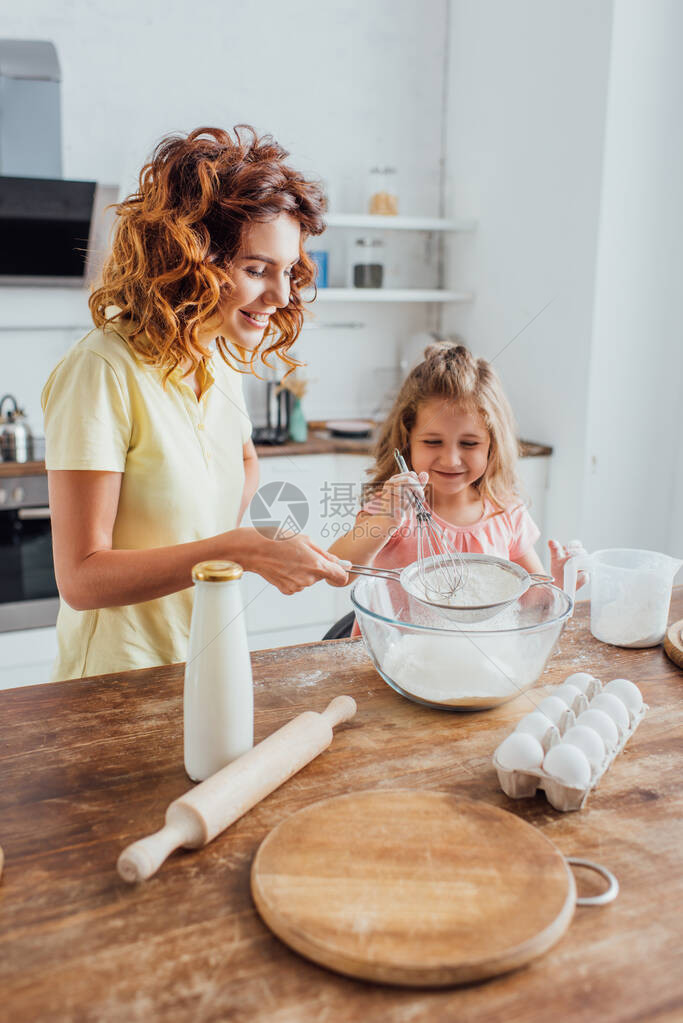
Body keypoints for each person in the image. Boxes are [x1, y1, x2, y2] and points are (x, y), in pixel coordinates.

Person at [42, 125, 349, 681]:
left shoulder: (218, 358)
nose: (281, 297)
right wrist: (235, 550)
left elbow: (245, 461)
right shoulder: (102, 371)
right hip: (113, 684)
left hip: (202, 658)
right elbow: (81, 580)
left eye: (287, 272)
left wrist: (231, 545)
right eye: (257, 270)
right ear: (189, 257)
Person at [329, 341, 585, 634]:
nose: (451, 459)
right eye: (432, 442)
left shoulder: (506, 512)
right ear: (406, 440)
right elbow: (339, 571)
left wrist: (560, 580)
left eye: (469, 443)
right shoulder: (393, 506)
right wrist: (386, 520)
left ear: (492, 446)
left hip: (470, 662)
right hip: (394, 659)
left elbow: (531, 603)